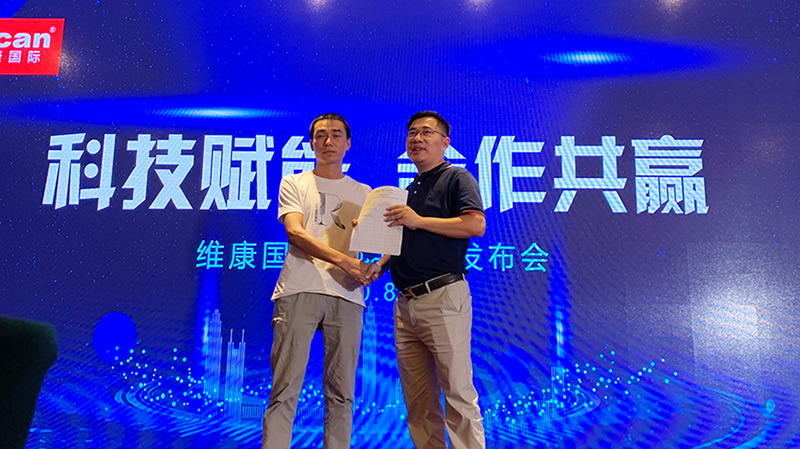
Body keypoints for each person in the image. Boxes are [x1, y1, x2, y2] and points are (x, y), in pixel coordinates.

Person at [367, 111, 486, 448]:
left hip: (443, 296)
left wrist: (418, 220)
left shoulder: (457, 177)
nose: (417, 138)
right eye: (412, 133)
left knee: (457, 393)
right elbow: (406, 239)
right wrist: (380, 265)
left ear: (445, 142)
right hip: (405, 304)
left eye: (426, 132)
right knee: (418, 401)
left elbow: (475, 224)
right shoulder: (409, 189)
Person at [262, 113, 372, 449]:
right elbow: (295, 233)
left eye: (336, 135)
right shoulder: (294, 183)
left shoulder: (364, 192)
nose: (328, 141)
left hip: (347, 294)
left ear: (348, 143)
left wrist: (374, 265)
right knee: (285, 389)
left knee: (342, 393)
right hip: (300, 287)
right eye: (321, 135)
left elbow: (377, 244)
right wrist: (344, 261)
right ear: (311, 143)